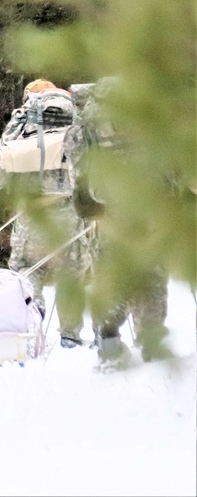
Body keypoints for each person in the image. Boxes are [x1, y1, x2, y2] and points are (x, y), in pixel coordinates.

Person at [65, 80, 171, 365]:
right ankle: (152, 339)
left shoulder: (90, 113)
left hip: (109, 203)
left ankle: (109, 335)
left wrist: (84, 194)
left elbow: (75, 156)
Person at [0, 79, 90, 348]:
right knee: (71, 274)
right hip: (71, 212)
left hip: (32, 215)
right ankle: (71, 336)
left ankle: (32, 329)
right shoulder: (76, 122)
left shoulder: (22, 124)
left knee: (27, 270)